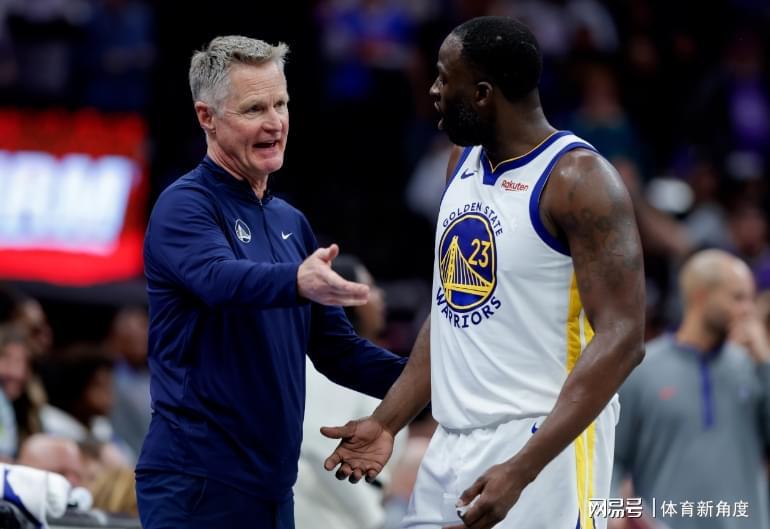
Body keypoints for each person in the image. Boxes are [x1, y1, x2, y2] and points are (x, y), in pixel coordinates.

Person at [322, 16, 645, 529]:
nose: (433, 90)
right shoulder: (461, 162)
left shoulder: (579, 179)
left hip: (544, 447)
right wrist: (387, 422)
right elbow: (449, 316)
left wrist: (524, 468)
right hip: (452, 441)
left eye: (443, 77)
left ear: (482, 94)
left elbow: (624, 338)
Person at [134, 35, 406, 529]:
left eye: (281, 104)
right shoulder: (184, 205)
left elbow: (338, 352)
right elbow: (218, 278)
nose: (275, 122)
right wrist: (296, 279)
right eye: (254, 108)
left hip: (274, 491)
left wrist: (433, 382)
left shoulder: (290, 221)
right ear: (206, 117)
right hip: (197, 484)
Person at [610, 249, 770, 529]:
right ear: (700, 296)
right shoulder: (644, 369)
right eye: (738, 298)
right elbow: (612, 459)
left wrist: (765, 362)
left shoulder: (752, 368)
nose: (748, 310)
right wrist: (614, 514)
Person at [294, 254, 397, 529]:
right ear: (344, 293)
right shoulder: (329, 368)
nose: (381, 296)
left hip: (350, 509)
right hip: (325, 515)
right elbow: (316, 444)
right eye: (370, 286)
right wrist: (372, 518)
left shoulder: (371, 365)